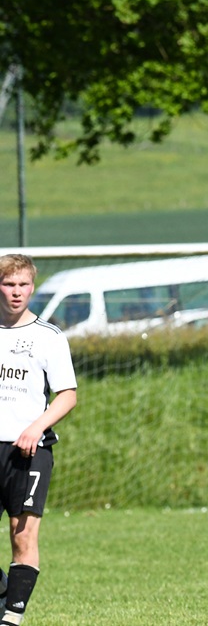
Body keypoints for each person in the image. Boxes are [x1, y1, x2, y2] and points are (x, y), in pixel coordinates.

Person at [0, 254, 78, 626]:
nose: (16, 292)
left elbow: (67, 395)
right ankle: (5, 593)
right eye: (8, 284)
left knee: (23, 536)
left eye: (23, 285)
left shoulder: (49, 337)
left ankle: (11, 618)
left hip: (29, 451)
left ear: (32, 287)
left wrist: (36, 427)